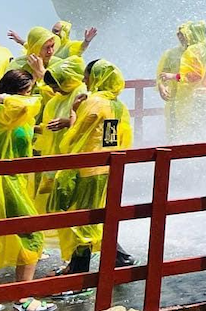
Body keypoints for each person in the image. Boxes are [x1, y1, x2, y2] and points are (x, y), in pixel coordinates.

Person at [49, 59, 134, 274]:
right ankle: (120, 258)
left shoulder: (95, 102)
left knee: (82, 219)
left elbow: (76, 134)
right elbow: (110, 139)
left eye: (88, 76)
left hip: (87, 169)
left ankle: (79, 273)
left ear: (97, 76)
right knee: (95, 216)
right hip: (106, 168)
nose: (85, 80)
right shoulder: (117, 104)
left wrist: (73, 115)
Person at [0, 70, 46, 287]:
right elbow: (26, 106)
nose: (31, 96)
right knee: (32, 232)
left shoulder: (16, 114)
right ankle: (22, 297)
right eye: (27, 92)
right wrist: (7, 98)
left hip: (14, 180)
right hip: (5, 182)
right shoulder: (7, 112)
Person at [157, 20, 206, 142]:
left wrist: (172, 77)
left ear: (191, 35)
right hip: (187, 100)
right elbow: (162, 76)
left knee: (194, 135)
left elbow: (193, 76)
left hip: (195, 100)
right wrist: (162, 86)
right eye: (179, 35)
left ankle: (187, 157)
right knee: (196, 135)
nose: (180, 37)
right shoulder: (173, 54)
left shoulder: (197, 51)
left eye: (183, 34)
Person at [34, 56, 87, 214]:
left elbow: (90, 126)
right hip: (56, 155)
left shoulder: (82, 93)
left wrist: (68, 122)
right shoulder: (55, 101)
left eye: (56, 86)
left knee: (70, 201)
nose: (54, 91)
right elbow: (48, 127)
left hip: (76, 156)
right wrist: (33, 128)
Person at [8, 22, 96, 61]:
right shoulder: (50, 43)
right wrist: (19, 40)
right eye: (53, 31)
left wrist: (87, 40)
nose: (53, 33)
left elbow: (81, 48)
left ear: (64, 32)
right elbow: (35, 48)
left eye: (56, 31)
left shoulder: (69, 46)